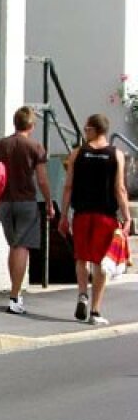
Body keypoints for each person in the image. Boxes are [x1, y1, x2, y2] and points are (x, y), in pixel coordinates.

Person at [0, 106, 55, 315]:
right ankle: (14, 296)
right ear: (31, 125)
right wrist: (48, 201)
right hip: (26, 202)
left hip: (4, 203)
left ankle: (15, 292)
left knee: (13, 245)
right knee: (21, 247)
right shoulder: (35, 147)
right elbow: (42, 179)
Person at [57, 113, 132, 325]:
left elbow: (68, 187)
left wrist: (64, 215)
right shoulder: (116, 155)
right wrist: (126, 217)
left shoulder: (77, 154)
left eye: (86, 128)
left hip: (81, 214)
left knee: (81, 258)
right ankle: (95, 311)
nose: (84, 132)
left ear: (93, 129)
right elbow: (120, 188)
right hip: (105, 216)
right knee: (100, 262)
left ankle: (82, 294)